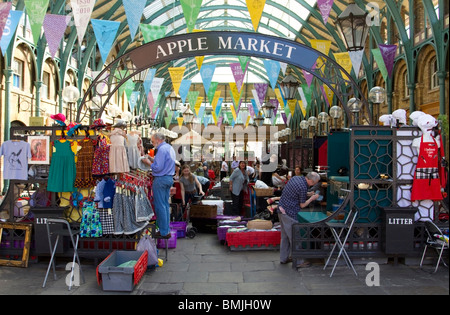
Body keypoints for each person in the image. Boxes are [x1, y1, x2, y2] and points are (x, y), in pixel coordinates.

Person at [277, 172, 320, 267]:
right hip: (289, 213)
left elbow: (296, 192)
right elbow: (302, 204)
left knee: (284, 237)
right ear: (311, 181)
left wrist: (308, 194)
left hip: (281, 209)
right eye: (315, 183)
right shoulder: (303, 187)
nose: (314, 184)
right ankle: (299, 261)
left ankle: (283, 258)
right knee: (295, 237)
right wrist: (312, 198)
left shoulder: (296, 178)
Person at [145, 132, 176, 239]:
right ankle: (165, 230)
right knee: (165, 205)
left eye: (153, 141)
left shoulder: (161, 149)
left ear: (158, 139)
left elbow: (158, 167)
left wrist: (147, 162)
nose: (152, 143)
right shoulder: (169, 148)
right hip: (168, 178)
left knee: (160, 206)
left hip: (161, 179)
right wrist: (152, 159)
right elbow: (164, 163)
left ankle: (164, 231)